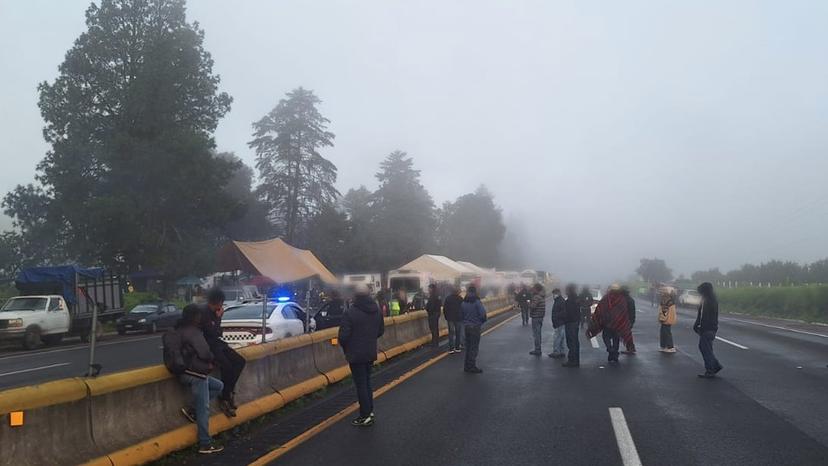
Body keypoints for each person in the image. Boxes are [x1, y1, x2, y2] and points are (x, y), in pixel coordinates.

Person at [177, 304, 225, 454]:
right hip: (196, 375)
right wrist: (212, 359)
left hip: (181, 373)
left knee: (218, 386)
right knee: (204, 408)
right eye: (199, 316)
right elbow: (205, 352)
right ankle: (205, 443)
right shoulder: (194, 332)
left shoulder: (177, 330)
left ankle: (192, 409)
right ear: (195, 317)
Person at [339, 283, 385, 426]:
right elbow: (380, 330)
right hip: (370, 351)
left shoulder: (350, 312)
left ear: (355, 296)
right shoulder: (376, 310)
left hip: (355, 354)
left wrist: (347, 347)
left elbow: (343, 336)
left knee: (361, 384)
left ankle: (365, 415)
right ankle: (369, 411)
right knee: (367, 382)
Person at [200, 288, 246, 417]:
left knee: (240, 361)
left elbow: (217, 333)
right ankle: (225, 397)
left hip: (218, 344)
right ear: (218, 302)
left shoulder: (212, 313)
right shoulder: (204, 314)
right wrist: (219, 318)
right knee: (227, 367)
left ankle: (228, 394)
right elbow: (214, 332)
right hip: (209, 346)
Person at [588, 285, 629, 363]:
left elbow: (599, 310)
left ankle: (610, 350)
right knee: (616, 338)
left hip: (607, 322)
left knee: (606, 337)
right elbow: (625, 311)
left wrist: (597, 320)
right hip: (617, 323)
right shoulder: (621, 299)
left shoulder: (606, 298)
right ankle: (614, 353)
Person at [694, 282, 723, 378]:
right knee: (707, 348)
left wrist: (700, 327)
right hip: (709, 328)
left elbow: (705, 317)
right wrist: (697, 324)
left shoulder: (709, 301)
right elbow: (701, 315)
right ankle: (715, 366)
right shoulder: (708, 299)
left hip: (708, 329)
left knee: (705, 348)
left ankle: (710, 370)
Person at [461, 285, 487, 373]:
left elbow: (461, 314)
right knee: (474, 347)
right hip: (475, 327)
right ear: (475, 292)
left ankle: (466, 366)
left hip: (466, 327)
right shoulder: (477, 302)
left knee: (468, 347)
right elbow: (483, 314)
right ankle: (472, 366)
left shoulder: (464, 302)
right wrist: (480, 322)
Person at [562, 284, 581, 367]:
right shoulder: (576, 298)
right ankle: (575, 360)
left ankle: (572, 360)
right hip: (575, 322)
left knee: (571, 342)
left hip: (570, 322)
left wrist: (564, 319)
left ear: (569, 290)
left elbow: (569, 313)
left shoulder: (570, 300)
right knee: (575, 341)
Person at [443, 287, 464, 354]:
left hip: (450, 318)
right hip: (458, 318)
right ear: (458, 292)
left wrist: (446, 317)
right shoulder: (460, 299)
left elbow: (445, 309)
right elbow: (463, 308)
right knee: (458, 333)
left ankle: (451, 348)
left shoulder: (448, 298)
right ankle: (457, 347)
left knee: (451, 333)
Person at [547, 288, 567, 359]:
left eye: (554, 294)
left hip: (559, 322)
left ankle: (556, 352)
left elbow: (563, 312)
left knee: (557, 337)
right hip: (560, 322)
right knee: (561, 338)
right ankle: (562, 351)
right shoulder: (559, 300)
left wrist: (556, 317)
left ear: (557, 293)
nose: (553, 296)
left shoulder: (560, 301)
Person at [528, 283, 546, 356]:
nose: (533, 289)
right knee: (538, 333)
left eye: (534, 288)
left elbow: (533, 306)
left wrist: (529, 304)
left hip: (536, 317)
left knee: (536, 334)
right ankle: (538, 348)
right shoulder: (542, 296)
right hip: (540, 317)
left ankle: (537, 349)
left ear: (536, 289)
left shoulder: (536, 297)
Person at [658, 288, 677, 353]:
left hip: (667, 319)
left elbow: (671, 312)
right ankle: (663, 346)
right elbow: (661, 310)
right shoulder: (664, 300)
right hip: (663, 319)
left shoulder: (670, 301)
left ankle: (670, 347)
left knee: (667, 333)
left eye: (662, 292)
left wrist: (669, 320)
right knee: (663, 333)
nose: (661, 293)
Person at [621, 286, 637, 354]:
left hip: (626, 320)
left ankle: (630, 348)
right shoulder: (630, 299)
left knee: (627, 335)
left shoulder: (625, 300)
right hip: (629, 320)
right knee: (627, 334)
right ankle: (630, 348)